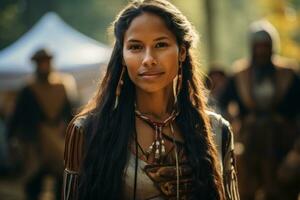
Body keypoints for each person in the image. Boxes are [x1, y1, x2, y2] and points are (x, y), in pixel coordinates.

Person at [63, 1, 240, 199]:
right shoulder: (87, 131)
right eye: (136, 47)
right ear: (122, 56)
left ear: (182, 51)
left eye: (160, 44)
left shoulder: (216, 131)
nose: (148, 59)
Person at [220, 20, 300, 200]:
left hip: (282, 144)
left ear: (272, 46)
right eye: (258, 47)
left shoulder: (289, 73)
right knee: (246, 192)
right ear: (251, 48)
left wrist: (297, 152)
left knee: (283, 192)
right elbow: (220, 104)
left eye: (265, 46)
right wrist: (228, 132)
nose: (261, 51)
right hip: (250, 145)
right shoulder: (239, 74)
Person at [7, 48, 77, 200]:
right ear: (36, 64)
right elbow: (17, 116)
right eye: (41, 62)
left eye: (46, 62)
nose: (44, 65)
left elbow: (71, 112)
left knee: (62, 181)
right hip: (34, 144)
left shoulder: (62, 86)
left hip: (57, 141)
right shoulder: (28, 89)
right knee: (33, 183)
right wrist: (11, 138)